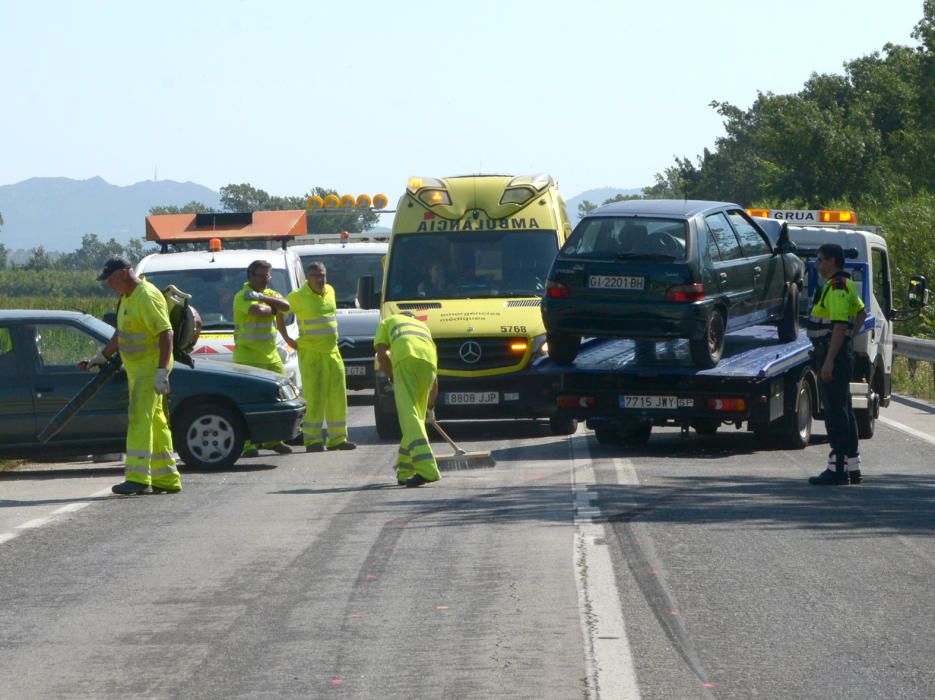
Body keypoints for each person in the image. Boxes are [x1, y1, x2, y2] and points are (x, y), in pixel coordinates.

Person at [79, 256, 183, 495]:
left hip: (150, 368)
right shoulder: (127, 297)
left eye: (111, 278)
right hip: (139, 370)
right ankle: (166, 478)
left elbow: (166, 332)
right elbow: (122, 333)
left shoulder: (146, 296)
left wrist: (160, 372)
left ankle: (137, 477)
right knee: (156, 422)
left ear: (125, 272)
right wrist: (101, 357)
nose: (109, 284)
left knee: (139, 418)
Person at [806, 243, 867, 485]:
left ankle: (838, 468)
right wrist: (850, 337)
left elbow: (840, 325)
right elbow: (861, 313)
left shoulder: (838, 287)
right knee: (844, 409)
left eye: (819, 259)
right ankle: (852, 466)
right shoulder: (845, 284)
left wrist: (830, 360)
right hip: (840, 353)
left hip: (834, 355)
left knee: (835, 412)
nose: (817, 264)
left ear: (831, 261)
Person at [284, 262, 356, 452]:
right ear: (308, 278)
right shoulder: (297, 297)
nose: (320, 279)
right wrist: (288, 339)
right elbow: (278, 313)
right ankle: (313, 440)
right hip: (311, 354)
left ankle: (337, 439)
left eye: (323, 275)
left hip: (332, 352)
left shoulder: (330, 291)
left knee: (337, 397)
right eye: (316, 276)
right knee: (314, 398)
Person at [233, 259, 293, 457]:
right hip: (248, 357)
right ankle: (248, 444)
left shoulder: (264, 294)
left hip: (271, 356)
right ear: (250, 276)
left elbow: (286, 306)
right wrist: (271, 306)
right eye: (260, 276)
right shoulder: (241, 295)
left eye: (267, 276)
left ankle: (273, 440)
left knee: (277, 399)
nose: (264, 280)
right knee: (247, 402)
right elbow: (257, 311)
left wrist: (262, 297)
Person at [374, 311, 440, 487]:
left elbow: (381, 356)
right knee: (415, 419)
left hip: (406, 359)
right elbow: (435, 382)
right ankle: (405, 471)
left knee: (408, 417)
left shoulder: (388, 321)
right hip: (428, 365)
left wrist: (393, 376)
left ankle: (428, 470)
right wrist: (431, 409)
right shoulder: (423, 327)